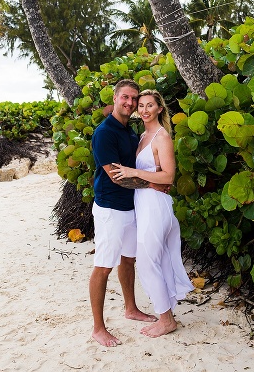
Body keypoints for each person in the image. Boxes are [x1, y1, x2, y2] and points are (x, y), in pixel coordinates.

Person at [111, 89, 194, 338]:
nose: (145, 110)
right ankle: (167, 314)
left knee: (147, 263)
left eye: (150, 105)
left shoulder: (161, 137)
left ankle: (166, 320)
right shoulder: (142, 136)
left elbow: (168, 176)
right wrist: (139, 177)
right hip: (145, 203)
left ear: (160, 108)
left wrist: (133, 172)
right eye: (141, 105)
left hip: (156, 206)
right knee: (158, 261)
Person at [89, 79, 160, 347]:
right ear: (115, 98)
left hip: (131, 207)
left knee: (128, 261)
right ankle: (98, 328)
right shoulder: (105, 132)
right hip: (110, 209)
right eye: (125, 98)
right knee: (103, 267)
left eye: (134, 99)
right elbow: (117, 176)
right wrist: (154, 184)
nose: (130, 103)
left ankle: (130, 308)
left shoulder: (130, 132)